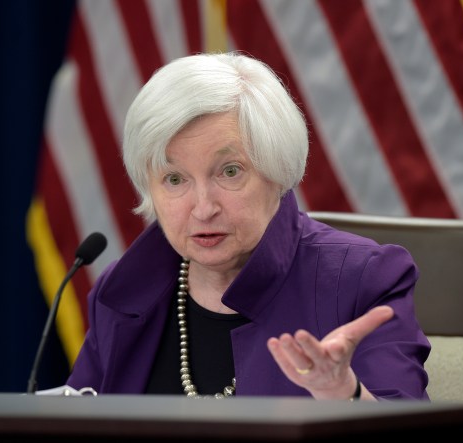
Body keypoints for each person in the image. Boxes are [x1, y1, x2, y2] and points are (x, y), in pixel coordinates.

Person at [65, 51, 430, 400]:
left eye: (230, 171)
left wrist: (344, 395)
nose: (203, 208)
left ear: (278, 171)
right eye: (175, 179)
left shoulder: (362, 281)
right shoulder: (124, 291)